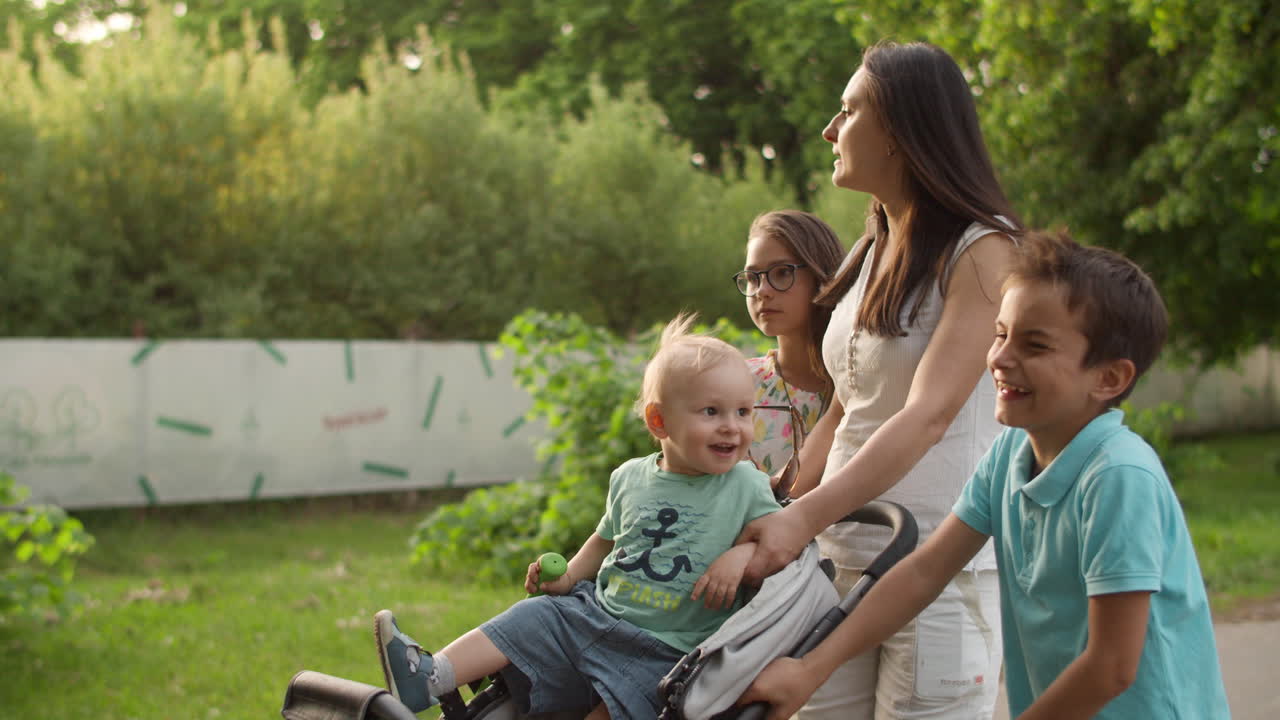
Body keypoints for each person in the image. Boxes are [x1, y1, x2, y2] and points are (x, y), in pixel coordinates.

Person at [740, 230, 1231, 719]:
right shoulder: (1009, 455)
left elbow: (1111, 667)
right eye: (1000, 333)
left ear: (1109, 378)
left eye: (1034, 345)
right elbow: (923, 571)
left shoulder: (1117, 476)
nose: (999, 357)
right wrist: (812, 667)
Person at [736, 40, 1024, 718]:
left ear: (898, 128)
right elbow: (846, 409)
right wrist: (775, 515)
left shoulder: (984, 249)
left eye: (848, 111)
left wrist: (806, 515)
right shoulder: (870, 250)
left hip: (939, 571)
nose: (831, 131)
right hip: (841, 560)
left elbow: (928, 415)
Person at [373, 313, 781, 719]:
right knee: (534, 616)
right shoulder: (630, 477)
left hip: (669, 650)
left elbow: (778, 537)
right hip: (596, 614)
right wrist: (569, 577)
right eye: (712, 412)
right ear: (659, 421)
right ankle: (428, 678)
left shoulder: (746, 484)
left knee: (634, 704)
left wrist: (739, 557)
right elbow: (605, 540)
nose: (733, 427)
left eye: (743, 412)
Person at [734, 210, 845, 494]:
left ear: (822, 274)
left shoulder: (862, 380)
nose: (762, 291)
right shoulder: (735, 385)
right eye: (752, 277)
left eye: (782, 272)